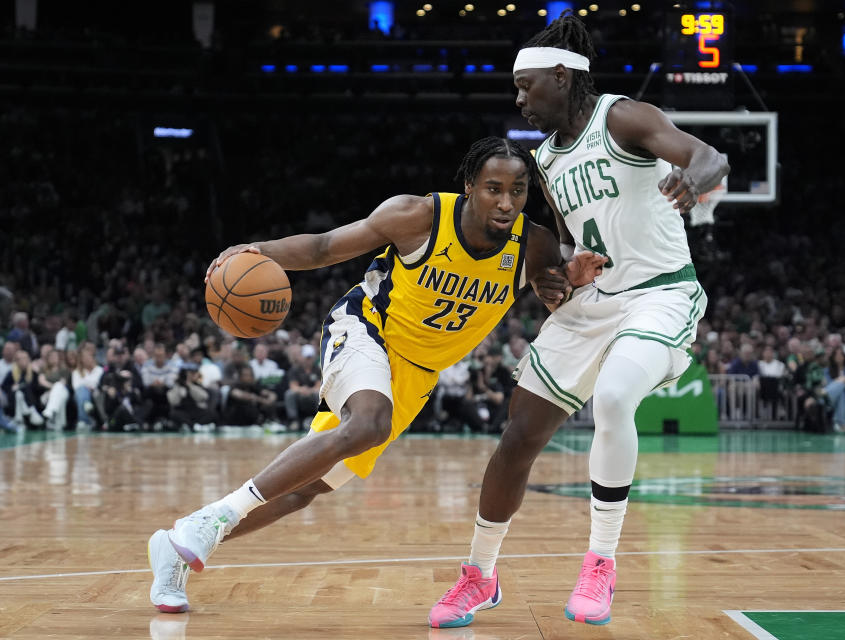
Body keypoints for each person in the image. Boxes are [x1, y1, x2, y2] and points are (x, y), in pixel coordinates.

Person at [147, 137, 606, 613]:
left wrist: (565, 283)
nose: (506, 202)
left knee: (303, 490)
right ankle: (214, 518)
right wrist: (258, 250)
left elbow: (553, 289)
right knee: (368, 423)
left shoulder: (534, 244)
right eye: (494, 188)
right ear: (470, 186)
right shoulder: (417, 217)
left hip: (418, 373)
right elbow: (325, 246)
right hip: (366, 329)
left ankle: (180, 544)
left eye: (518, 190)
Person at [430, 13, 729, 628]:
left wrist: (692, 179)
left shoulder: (622, 116)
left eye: (525, 85)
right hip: (599, 300)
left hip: (660, 295)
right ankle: (478, 576)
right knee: (518, 438)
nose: (518, 98)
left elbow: (709, 155)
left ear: (561, 78)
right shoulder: (544, 161)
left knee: (616, 397)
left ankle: (600, 563)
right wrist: (561, 276)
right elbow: (570, 251)